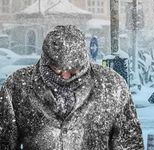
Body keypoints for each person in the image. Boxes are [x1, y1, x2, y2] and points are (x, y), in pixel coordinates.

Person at [0, 25, 144, 150]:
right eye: (56, 68)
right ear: (45, 61)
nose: (65, 75)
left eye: (74, 69)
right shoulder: (17, 86)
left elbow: (129, 143)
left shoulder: (112, 85)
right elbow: (3, 142)